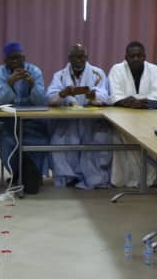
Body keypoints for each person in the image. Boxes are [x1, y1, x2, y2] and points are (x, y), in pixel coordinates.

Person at [46, 43, 113, 188]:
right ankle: (68, 177)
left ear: (87, 57)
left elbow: (106, 97)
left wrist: (92, 95)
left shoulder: (98, 73)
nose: (78, 60)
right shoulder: (60, 75)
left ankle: (94, 179)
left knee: (99, 141)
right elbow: (50, 98)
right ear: (69, 58)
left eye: (81, 57)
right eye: (75, 57)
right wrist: (63, 93)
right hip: (68, 122)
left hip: (92, 122)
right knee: (57, 142)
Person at [108, 41, 157, 188]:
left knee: (154, 143)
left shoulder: (154, 70)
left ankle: (151, 180)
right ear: (126, 57)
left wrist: (135, 101)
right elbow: (115, 96)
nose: (136, 59)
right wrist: (136, 102)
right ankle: (128, 180)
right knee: (124, 143)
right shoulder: (117, 70)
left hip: (150, 119)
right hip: (123, 119)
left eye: (139, 56)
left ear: (145, 56)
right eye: (132, 56)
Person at [0, 42, 49, 194]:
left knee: (40, 140)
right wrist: (10, 83)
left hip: (32, 121)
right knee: (7, 142)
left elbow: (41, 102)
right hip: (8, 121)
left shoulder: (34, 71)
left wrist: (32, 84)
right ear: (5, 60)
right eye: (12, 59)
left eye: (19, 58)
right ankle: (17, 173)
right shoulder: (0, 72)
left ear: (24, 58)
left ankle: (33, 173)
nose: (16, 62)